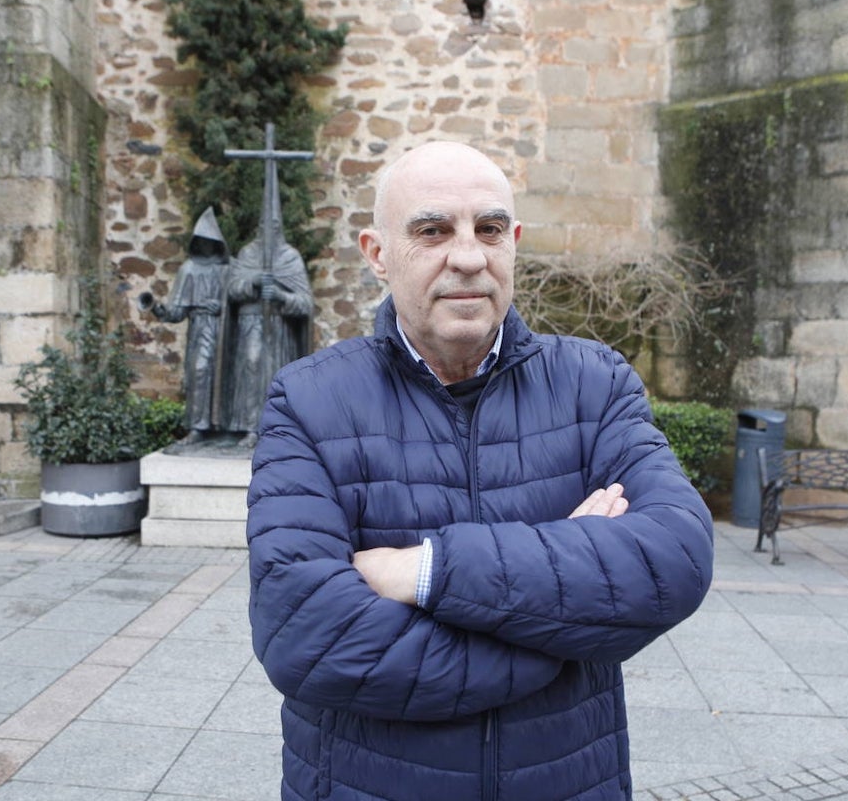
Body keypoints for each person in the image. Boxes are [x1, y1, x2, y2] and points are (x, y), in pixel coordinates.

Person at [246, 141, 714, 801]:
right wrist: (563, 623)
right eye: (433, 230)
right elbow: (307, 638)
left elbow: (676, 558)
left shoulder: (596, 385)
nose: (467, 256)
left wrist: (430, 571)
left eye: (489, 229)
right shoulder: (310, 401)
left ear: (513, 243)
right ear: (377, 254)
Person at [224, 215, 312, 447]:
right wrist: (253, 281)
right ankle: (251, 428)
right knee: (251, 369)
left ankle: (278, 428)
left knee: (277, 375)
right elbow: (232, 290)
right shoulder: (247, 254)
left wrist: (281, 296)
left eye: (274, 226)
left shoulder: (289, 257)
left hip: (279, 328)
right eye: (264, 225)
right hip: (250, 324)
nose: (268, 230)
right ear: (258, 227)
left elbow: (305, 303)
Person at [145, 207, 229, 443]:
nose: (205, 245)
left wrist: (222, 307)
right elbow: (177, 311)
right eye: (201, 240)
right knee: (199, 371)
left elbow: (240, 300)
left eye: (209, 241)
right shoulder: (188, 270)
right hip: (200, 329)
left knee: (224, 376)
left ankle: (225, 428)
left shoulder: (228, 269)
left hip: (225, 332)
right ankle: (197, 428)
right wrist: (159, 309)